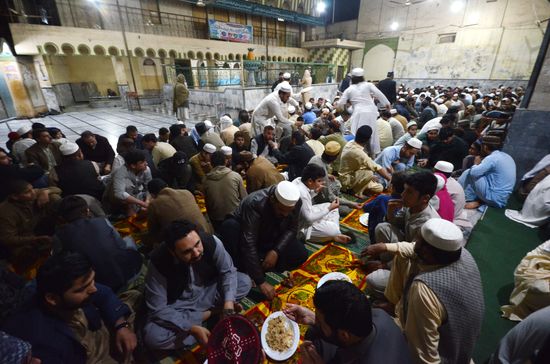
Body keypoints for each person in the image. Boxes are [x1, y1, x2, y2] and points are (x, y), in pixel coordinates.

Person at [365, 218, 484, 364]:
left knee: (371, 338)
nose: (414, 241)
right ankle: (394, 307)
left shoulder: (424, 290)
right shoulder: (461, 254)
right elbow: (411, 249)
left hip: (444, 356)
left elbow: (424, 356)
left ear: (427, 252)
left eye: (418, 239)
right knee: (403, 255)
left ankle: (397, 320)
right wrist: (385, 246)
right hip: (460, 344)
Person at [1, 251, 138, 364]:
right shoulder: (41, 340)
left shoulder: (68, 288)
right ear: (52, 299)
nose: (94, 289)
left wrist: (121, 326)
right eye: (84, 287)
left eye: (93, 280)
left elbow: (105, 294)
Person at [143, 220, 252, 349]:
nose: (196, 253)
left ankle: (212, 314)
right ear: (173, 252)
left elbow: (228, 271)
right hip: (179, 304)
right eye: (187, 251)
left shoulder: (211, 241)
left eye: (197, 244)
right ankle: (211, 313)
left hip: (207, 291)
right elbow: (158, 308)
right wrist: (190, 328)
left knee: (244, 281)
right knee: (152, 336)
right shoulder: (158, 262)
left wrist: (228, 304)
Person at [283, 280, 412, 364]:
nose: (316, 321)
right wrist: (313, 318)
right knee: (314, 332)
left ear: (344, 335)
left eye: (320, 320)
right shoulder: (379, 315)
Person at [219, 181, 308, 300]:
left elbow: (292, 229)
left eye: (289, 211)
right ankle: (248, 270)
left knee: (300, 253)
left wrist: (276, 251)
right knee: (229, 226)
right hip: (245, 236)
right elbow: (248, 242)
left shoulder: (296, 203)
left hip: (271, 235)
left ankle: (261, 264)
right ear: (272, 200)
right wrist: (261, 281)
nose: (286, 214)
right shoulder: (255, 202)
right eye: (282, 210)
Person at [55, 196, 142, 293]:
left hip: (97, 284)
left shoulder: (59, 236)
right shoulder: (102, 221)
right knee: (128, 240)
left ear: (62, 218)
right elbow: (120, 244)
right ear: (87, 211)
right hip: (131, 272)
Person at [0, 180, 60, 272]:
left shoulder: (31, 195)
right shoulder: (6, 212)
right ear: (14, 197)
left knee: (54, 198)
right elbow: (8, 239)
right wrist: (34, 239)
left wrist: (45, 192)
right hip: (21, 241)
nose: (33, 193)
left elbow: (57, 189)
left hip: (34, 229)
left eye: (32, 189)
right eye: (27, 192)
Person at [373, 171, 440, 246]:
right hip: (407, 241)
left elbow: (414, 252)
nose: (402, 194)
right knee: (382, 227)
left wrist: (385, 247)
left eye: (409, 192)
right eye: (404, 189)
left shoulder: (427, 224)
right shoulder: (410, 206)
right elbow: (396, 224)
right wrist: (390, 212)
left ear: (425, 198)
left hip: (416, 253)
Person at [144, 178, 213, 247]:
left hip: (189, 243)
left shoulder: (154, 205)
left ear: (152, 195)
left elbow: (153, 231)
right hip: (208, 233)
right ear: (167, 185)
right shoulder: (186, 192)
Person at [293, 164, 352, 243]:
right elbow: (308, 219)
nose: (321, 183)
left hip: (306, 213)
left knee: (330, 206)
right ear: (310, 181)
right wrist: (329, 209)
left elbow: (305, 202)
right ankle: (335, 233)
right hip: (300, 227)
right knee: (331, 213)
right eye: (319, 181)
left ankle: (334, 232)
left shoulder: (299, 180)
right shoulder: (303, 193)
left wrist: (315, 192)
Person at [338, 68, 391, 155]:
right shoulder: (368, 85)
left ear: (353, 78)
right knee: (372, 133)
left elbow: (341, 103)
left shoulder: (350, 89)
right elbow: (379, 94)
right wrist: (387, 104)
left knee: (358, 135)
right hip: (371, 112)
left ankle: (359, 153)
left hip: (359, 113)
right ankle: (371, 154)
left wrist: (338, 105)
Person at [458, 135, 516, 209]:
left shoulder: (492, 158)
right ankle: (476, 200)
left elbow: (474, 173)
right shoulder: (507, 156)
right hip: (502, 199)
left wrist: (475, 164)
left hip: (493, 197)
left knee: (469, 172)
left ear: (485, 147)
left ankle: (464, 198)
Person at [339, 126, 391, 198]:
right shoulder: (358, 152)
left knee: (379, 188)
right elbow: (376, 167)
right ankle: (356, 192)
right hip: (347, 180)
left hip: (355, 174)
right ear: (368, 139)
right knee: (369, 173)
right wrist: (390, 180)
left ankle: (362, 187)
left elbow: (363, 163)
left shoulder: (351, 143)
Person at [204, 151, 247, 231]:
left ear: (211, 163)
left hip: (216, 220)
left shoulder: (206, 180)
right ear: (226, 161)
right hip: (235, 218)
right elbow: (245, 199)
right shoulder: (235, 176)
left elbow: (208, 204)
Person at [103, 149, 152, 216]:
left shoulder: (146, 169)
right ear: (133, 166)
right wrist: (141, 204)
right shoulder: (120, 172)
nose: (146, 163)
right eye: (142, 162)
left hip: (136, 193)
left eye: (145, 161)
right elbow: (120, 194)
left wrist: (147, 201)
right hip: (118, 197)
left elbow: (149, 187)